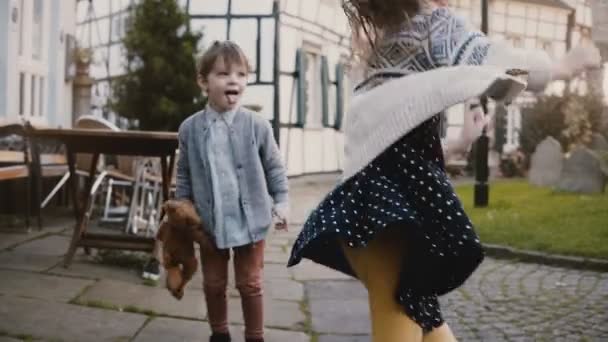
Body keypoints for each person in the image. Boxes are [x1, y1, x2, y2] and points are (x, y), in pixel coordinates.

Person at [287, 1, 601, 341]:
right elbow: (503, 63)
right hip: (395, 219)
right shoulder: (435, 26)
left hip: (372, 211)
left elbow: (391, 135)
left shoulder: (382, 41)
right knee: (401, 318)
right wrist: (562, 66)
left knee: (429, 328)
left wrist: (458, 142)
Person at [176, 40, 289, 342]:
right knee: (213, 283)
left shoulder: (257, 126)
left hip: (251, 222)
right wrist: (183, 205)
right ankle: (220, 334)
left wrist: (281, 202)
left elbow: (274, 167)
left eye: (240, 74)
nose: (233, 80)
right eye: (224, 74)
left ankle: (255, 336)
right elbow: (184, 173)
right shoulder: (190, 128)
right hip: (209, 224)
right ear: (203, 81)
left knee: (250, 283)